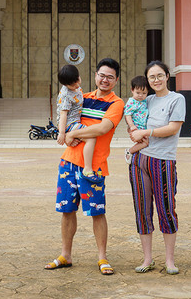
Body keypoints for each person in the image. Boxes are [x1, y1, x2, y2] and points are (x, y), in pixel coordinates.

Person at [44, 57, 125, 276]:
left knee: (97, 212)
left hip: (94, 166)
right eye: (101, 75)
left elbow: (102, 129)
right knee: (67, 210)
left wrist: (71, 134)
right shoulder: (81, 96)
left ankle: (102, 257)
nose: (105, 80)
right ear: (95, 75)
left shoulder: (117, 104)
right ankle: (65, 255)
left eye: (110, 77)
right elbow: (64, 113)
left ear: (116, 80)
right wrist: (68, 133)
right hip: (69, 162)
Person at [128, 60, 186, 275]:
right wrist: (133, 128)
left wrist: (145, 133)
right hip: (140, 160)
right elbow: (130, 115)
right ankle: (147, 259)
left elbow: (172, 128)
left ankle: (169, 260)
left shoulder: (177, 99)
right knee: (142, 210)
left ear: (167, 76)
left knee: (166, 209)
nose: (156, 80)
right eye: (152, 77)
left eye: (160, 75)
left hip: (162, 161)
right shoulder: (145, 99)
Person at [54, 64, 98, 179]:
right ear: (65, 84)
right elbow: (63, 114)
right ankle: (88, 168)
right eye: (72, 85)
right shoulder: (66, 95)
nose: (76, 85)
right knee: (91, 137)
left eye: (77, 81)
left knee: (80, 139)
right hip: (69, 123)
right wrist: (62, 133)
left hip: (74, 122)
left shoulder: (76, 88)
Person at [124, 75, 151, 163]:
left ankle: (135, 155)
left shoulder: (145, 101)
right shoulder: (131, 102)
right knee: (145, 143)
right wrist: (131, 126)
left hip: (143, 128)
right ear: (132, 90)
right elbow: (127, 114)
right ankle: (129, 151)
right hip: (136, 127)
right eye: (138, 92)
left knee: (144, 143)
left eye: (144, 93)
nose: (140, 95)